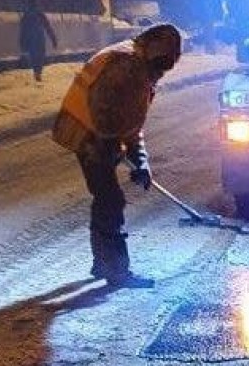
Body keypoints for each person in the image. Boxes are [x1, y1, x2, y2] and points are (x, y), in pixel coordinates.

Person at [51, 24, 183, 287]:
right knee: (110, 199)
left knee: (106, 198)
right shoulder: (127, 65)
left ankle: (104, 263)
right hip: (86, 131)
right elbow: (104, 110)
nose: (162, 71)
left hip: (97, 133)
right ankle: (115, 269)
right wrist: (109, 143)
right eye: (162, 63)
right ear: (154, 51)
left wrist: (140, 160)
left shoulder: (139, 65)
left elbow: (131, 121)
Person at [19, 0, 58, 82]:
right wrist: (53, 40)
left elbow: (22, 31)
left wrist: (22, 44)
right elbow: (48, 28)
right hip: (39, 39)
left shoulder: (25, 16)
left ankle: (36, 72)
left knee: (34, 57)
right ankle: (38, 73)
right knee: (40, 57)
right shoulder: (40, 14)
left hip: (30, 41)